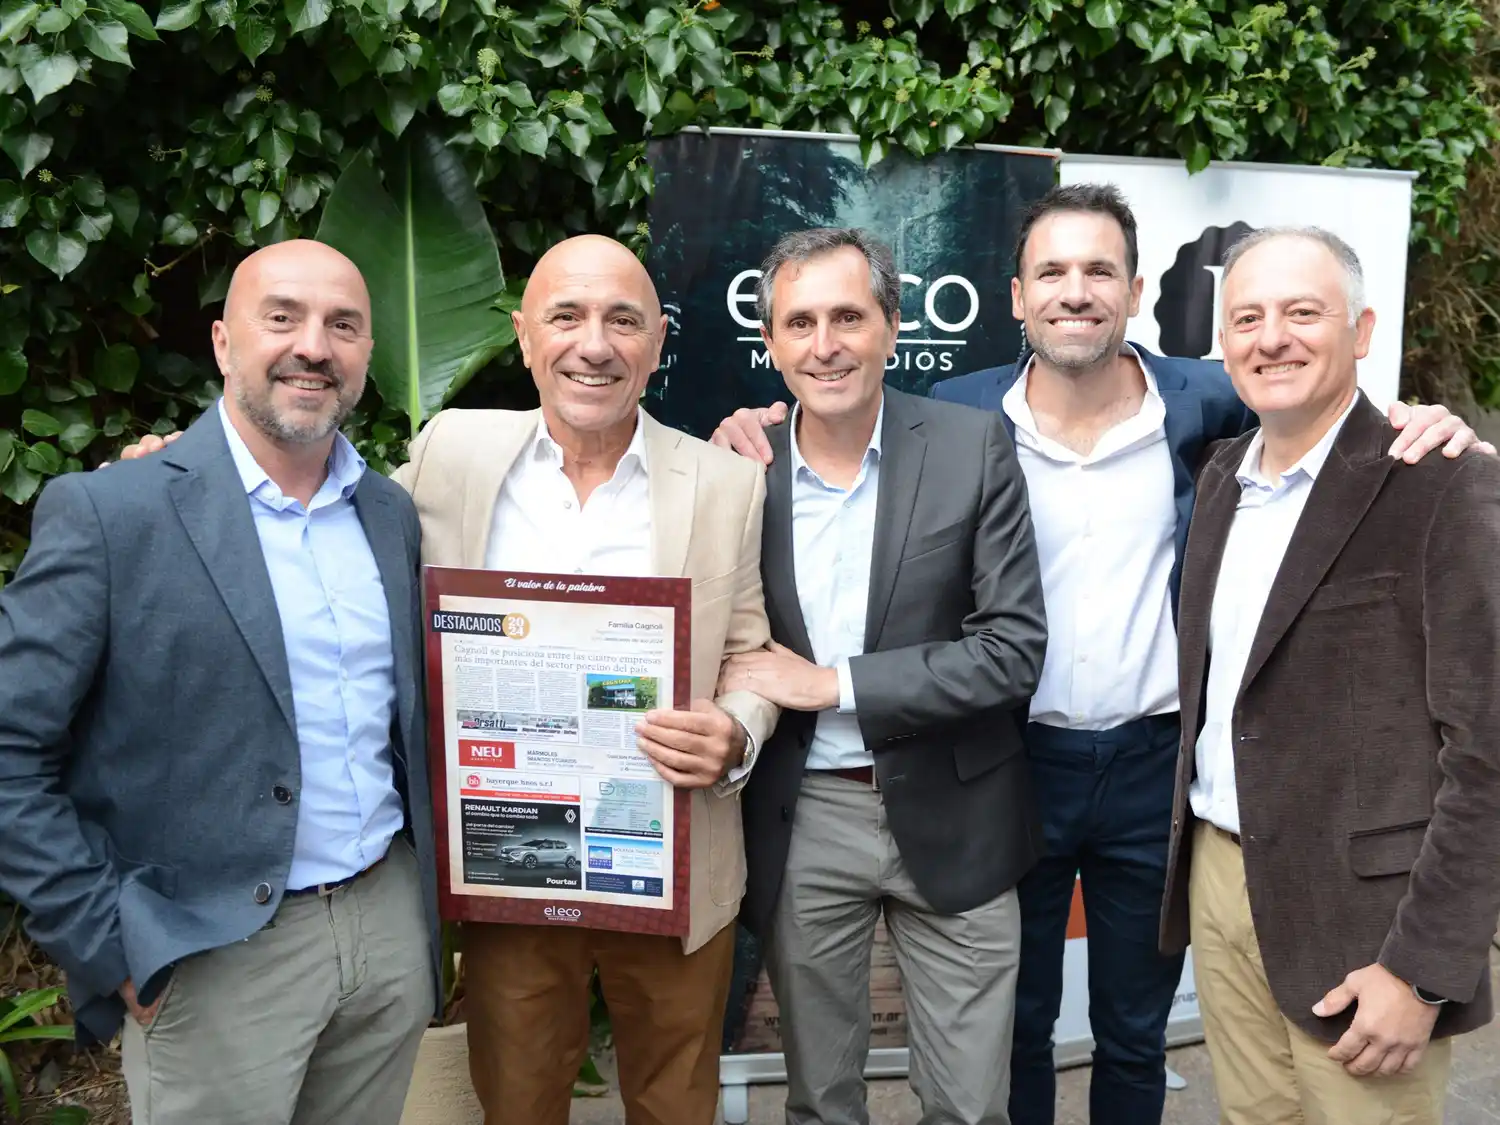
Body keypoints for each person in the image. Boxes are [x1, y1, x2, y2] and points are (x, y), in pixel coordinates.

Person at [709, 186, 1489, 1125]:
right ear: (1016, 296)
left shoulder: (1207, 402)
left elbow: (1323, 421)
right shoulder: (957, 415)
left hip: (1156, 769)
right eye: (1051, 271)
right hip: (1014, 760)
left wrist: (1424, 423)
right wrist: (746, 427)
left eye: (1097, 271)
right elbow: (836, 405)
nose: (1074, 291)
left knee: (1133, 1030)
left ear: (1135, 290)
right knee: (1016, 1026)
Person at [0, 240, 440, 1125]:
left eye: (343, 325)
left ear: (365, 356)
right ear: (222, 342)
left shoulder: (388, 512)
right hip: (212, 952)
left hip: (385, 928)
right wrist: (109, 941)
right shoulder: (113, 512)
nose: (313, 345)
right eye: (282, 316)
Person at [390, 234, 779, 1125]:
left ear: (657, 341)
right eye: (565, 316)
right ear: (525, 336)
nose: (593, 344)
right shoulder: (449, 453)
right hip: (510, 861)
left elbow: (750, 649)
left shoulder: (725, 484)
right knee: (518, 1101)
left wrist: (737, 730)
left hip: (669, 857)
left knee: (675, 1103)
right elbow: (326, 516)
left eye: (623, 320)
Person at [1160, 225, 1500, 1125]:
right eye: (1248, 317)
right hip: (1223, 883)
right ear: (1223, 341)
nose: (1272, 337)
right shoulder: (1221, 476)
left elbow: (1489, 750)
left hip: (1369, 923)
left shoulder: (1439, 480)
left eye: (1303, 312)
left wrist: (1425, 969)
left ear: (1361, 330)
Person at [717, 227, 1047, 1125]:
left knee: (972, 1106)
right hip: (804, 817)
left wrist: (835, 684)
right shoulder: (737, 468)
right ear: (773, 342)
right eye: (801, 322)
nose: (826, 344)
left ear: (892, 326)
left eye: (848, 317)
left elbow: (1013, 648)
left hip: (958, 805)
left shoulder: (972, 446)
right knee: (821, 1101)